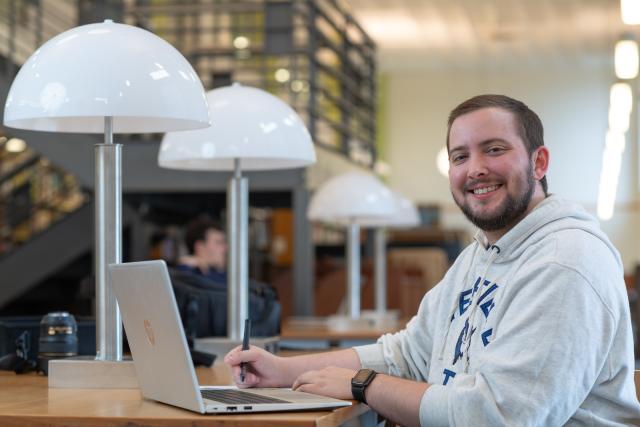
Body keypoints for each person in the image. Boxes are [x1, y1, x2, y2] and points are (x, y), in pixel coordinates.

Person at [224, 94, 640, 426]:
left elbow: (501, 418)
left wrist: (362, 385)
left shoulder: (564, 262)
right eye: (460, 157)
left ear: (539, 162)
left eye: (493, 150)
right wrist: (279, 370)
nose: (475, 169)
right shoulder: (477, 256)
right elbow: (408, 354)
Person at [177, 216, 227, 283]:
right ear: (200, 247)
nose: (226, 248)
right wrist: (185, 266)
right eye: (219, 242)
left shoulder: (224, 276)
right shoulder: (188, 274)